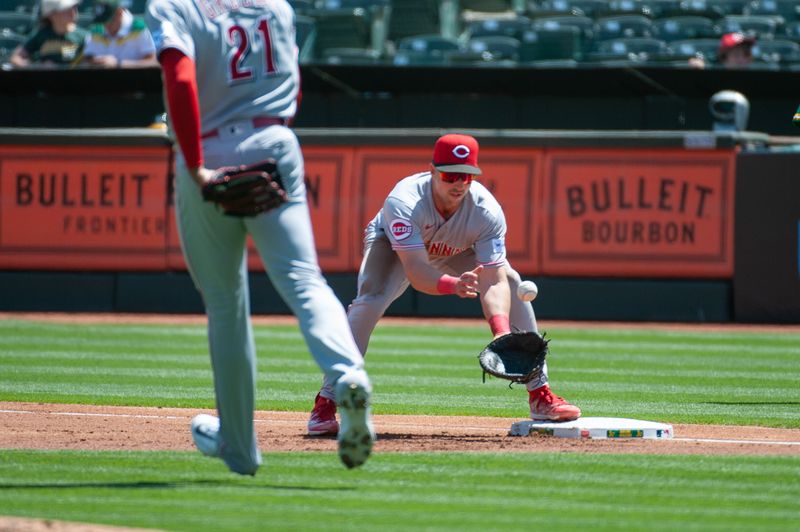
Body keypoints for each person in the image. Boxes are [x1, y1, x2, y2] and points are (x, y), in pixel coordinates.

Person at [144, 0, 375, 473]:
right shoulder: (276, 5)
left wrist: (195, 166)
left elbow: (180, 78)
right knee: (305, 279)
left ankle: (240, 447)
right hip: (275, 141)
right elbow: (295, 86)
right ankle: (349, 373)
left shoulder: (173, 4)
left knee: (226, 303)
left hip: (209, 145)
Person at [307, 133, 581, 436]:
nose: (459, 183)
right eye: (451, 175)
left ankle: (539, 395)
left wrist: (501, 332)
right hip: (396, 246)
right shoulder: (405, 201)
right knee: (369, 300)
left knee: (512, 281)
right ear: (433, 171)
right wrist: (453, 284)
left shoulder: (486, 211)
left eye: (466, 175)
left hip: (456, 249)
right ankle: (327, 400)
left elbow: (493, 279)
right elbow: (417, 271)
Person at [9, 0, 87, 67]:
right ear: (51, 15)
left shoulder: (85, 35)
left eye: (73, 7)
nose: (72, 12)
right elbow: (16, 58)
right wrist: (37, 67)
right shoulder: (40, 35)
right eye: (66, 9)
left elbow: (98, 59)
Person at [83, 0, 157, 68]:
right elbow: (87, 60)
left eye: (109, 21)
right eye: (102, 21)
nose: (105, 25)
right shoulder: (97, 29)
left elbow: (152, 62)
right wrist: (97, 62)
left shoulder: (139, 29)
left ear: (119, 12)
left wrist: (119, 64)